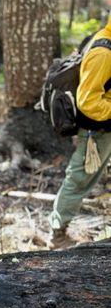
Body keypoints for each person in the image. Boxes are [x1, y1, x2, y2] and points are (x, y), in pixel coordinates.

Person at [49, 16, 111, 249]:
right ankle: (57, 235)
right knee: (78, 180)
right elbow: (88, 101)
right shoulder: (103, 53)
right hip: (96, 133)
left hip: (105, 130)